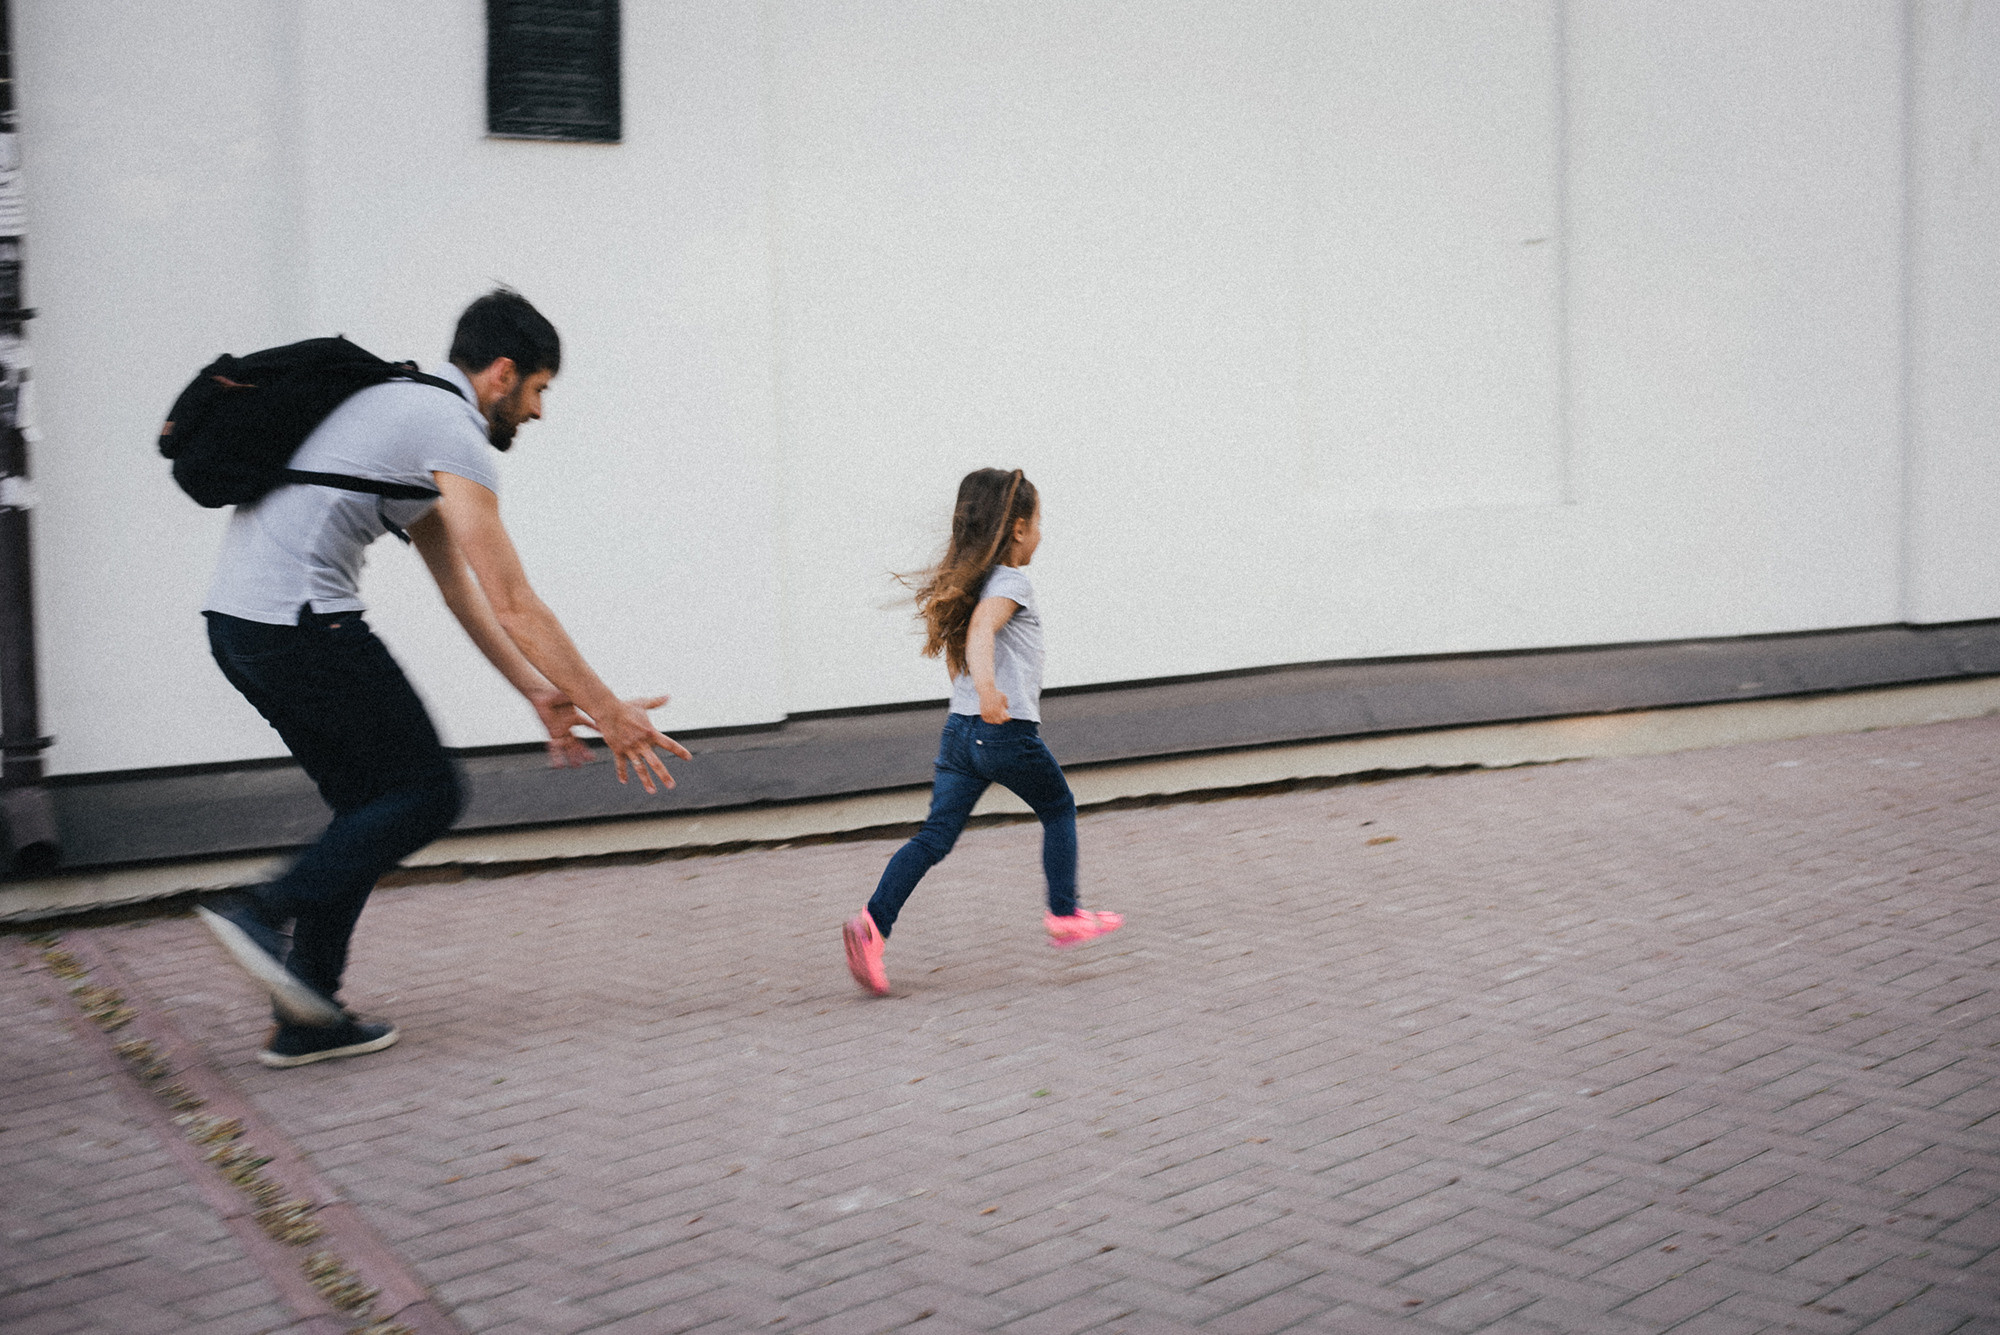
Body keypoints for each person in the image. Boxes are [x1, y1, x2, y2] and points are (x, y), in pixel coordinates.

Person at [196, 288, 689, 1067]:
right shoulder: (449, 427)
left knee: (366, 807)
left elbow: (458, 587)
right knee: (426, 792)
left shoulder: (404, 408)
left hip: (242, 626)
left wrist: (533, 689)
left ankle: (307, 1013)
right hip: (298, 621)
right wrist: (608, 710)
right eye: (538, 391)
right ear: (501, 374)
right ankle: (261, 908)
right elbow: (515, 599)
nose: (536, 413)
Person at [842, 467, 1121, 996]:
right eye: (1038, 523)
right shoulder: (1011, 582)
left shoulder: (971, 583)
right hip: (1003, 733)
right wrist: (990, 692)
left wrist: (971, 696)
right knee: (1058, 808)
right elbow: (979, 633)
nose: (1041, 533)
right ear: (1017, 529)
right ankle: (1064, 913)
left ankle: (872, 926)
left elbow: (961, 648)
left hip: (959, 735)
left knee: (933, 838)